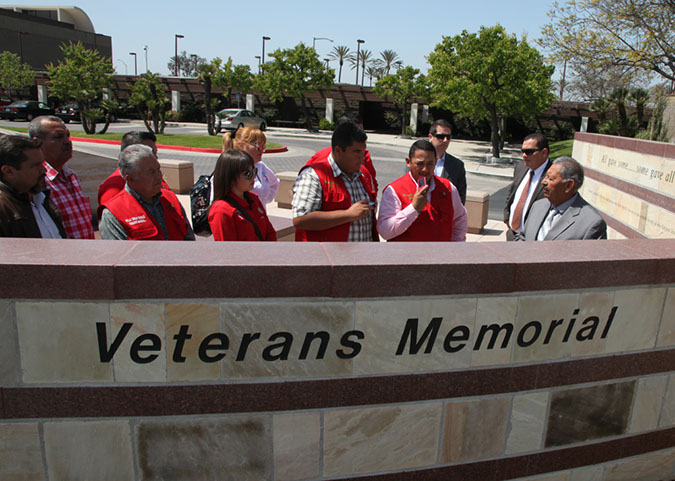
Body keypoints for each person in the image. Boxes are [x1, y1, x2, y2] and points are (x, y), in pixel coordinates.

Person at [292, 121, 378, 242]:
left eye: (363, 151)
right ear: (338, 151)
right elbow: (300, 219)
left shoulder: (364, 174)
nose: (362, 157)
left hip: (361, 257)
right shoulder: (313, 175)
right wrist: (348, 215)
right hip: (326, 258)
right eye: (356, 152)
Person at [99, 144, 195, 241]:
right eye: (151, 172)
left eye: (158, 170)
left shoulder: (170, 199)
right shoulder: (113, 213)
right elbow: (119, 254)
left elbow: (190, 241)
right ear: (131, 179)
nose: (159, 176)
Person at [378, 139, 467, 241]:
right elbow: (385, 232)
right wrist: (413, 208)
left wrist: (455, 246)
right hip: (406, 255)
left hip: (440, 254)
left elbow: (460, 219)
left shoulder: (447, 187)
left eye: (430, 164)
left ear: (436, 162)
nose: (425, 169)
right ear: (408, 162)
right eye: (420, 164)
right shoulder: (394, 190)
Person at [28, 115, 94, 239]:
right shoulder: (38, 181)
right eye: (58, 136)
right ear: (37, 143)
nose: (67, 141)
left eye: (67, 135)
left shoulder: (70, 175)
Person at [516, 156, 607, 241]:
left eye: (550, 179)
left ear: (568, 185)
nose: (543, 182)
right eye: (546, 176)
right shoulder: (538, 206)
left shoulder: (592, 223)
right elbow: (523, 237)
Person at [0, 135, 66, 238]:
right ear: (9, 171)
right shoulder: (4, 210)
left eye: (43, 164)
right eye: (36, 165)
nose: (44, 170)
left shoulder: (41, 198)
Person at [208, 149, 276, 241]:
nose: (254, 176)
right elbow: (227, 250)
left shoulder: (254, 199)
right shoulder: (221, 210)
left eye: (254, 171)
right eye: (247, 174)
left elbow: (270, 232)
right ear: (230, 177)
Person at [97, 131, 167, 218]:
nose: (155, 158)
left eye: (155, 153)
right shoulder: (113, 189)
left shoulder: (154, 176)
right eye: (149, 153)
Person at [503, 133, 553, 241]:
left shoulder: (553, 176)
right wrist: (507, 216)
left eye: (529, 152)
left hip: (532, 240)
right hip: (512, 235)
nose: (524, 155)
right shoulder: (520, 167)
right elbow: (512, 193)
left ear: (544, 152)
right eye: (523, 151)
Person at [222, 127, 279, 209]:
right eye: (257, 145)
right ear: (241, 145)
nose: (261, 150)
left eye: (263, 146)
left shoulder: (261, 167)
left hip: (257, 219)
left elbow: (274, 183)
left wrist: (263, 202)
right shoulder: (229, 168)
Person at [428, 119, 467, 204]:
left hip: (446, 215)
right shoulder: (417, 162)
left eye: (448, 137)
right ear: (431, 137)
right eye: (441, 136)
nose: (445, 140)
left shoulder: (457, 165)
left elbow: (460, 198)